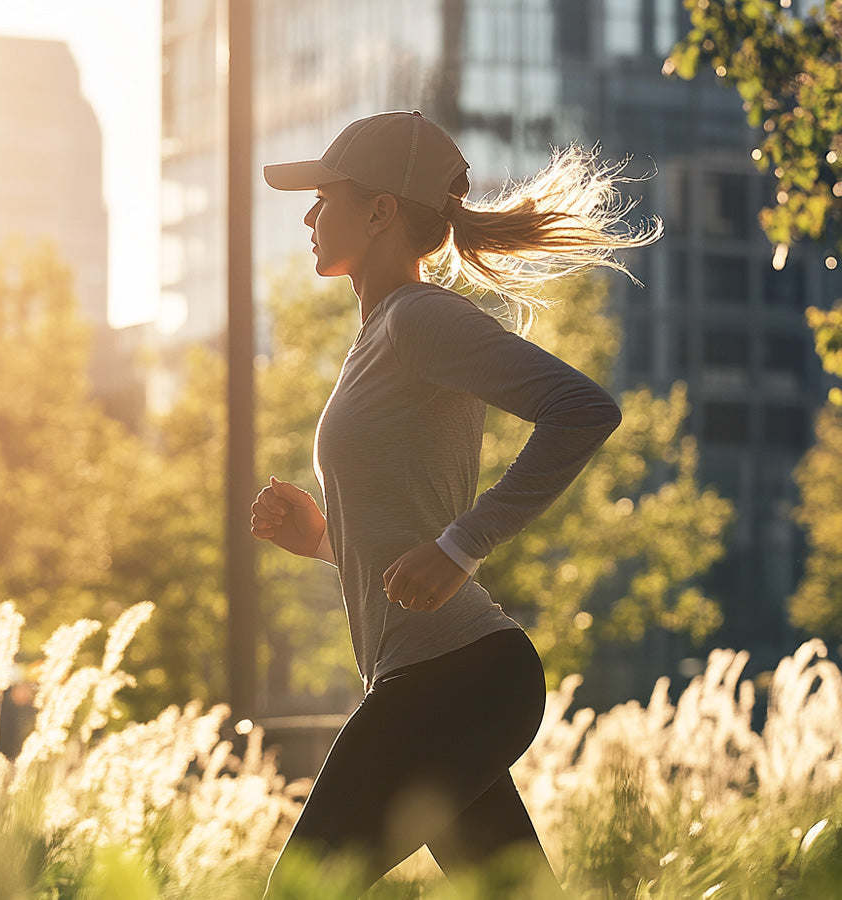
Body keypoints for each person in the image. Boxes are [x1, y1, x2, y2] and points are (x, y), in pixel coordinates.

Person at [250, 110, 660, 897]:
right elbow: (405, 526)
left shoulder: (419, 317)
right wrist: (326, 543)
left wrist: (462, 546)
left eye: (324, 197)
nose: (307, 215)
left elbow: (583, 410)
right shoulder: (380, 335)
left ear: (379, 212)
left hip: (457, 678)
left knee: (298, 891)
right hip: (444, 678)